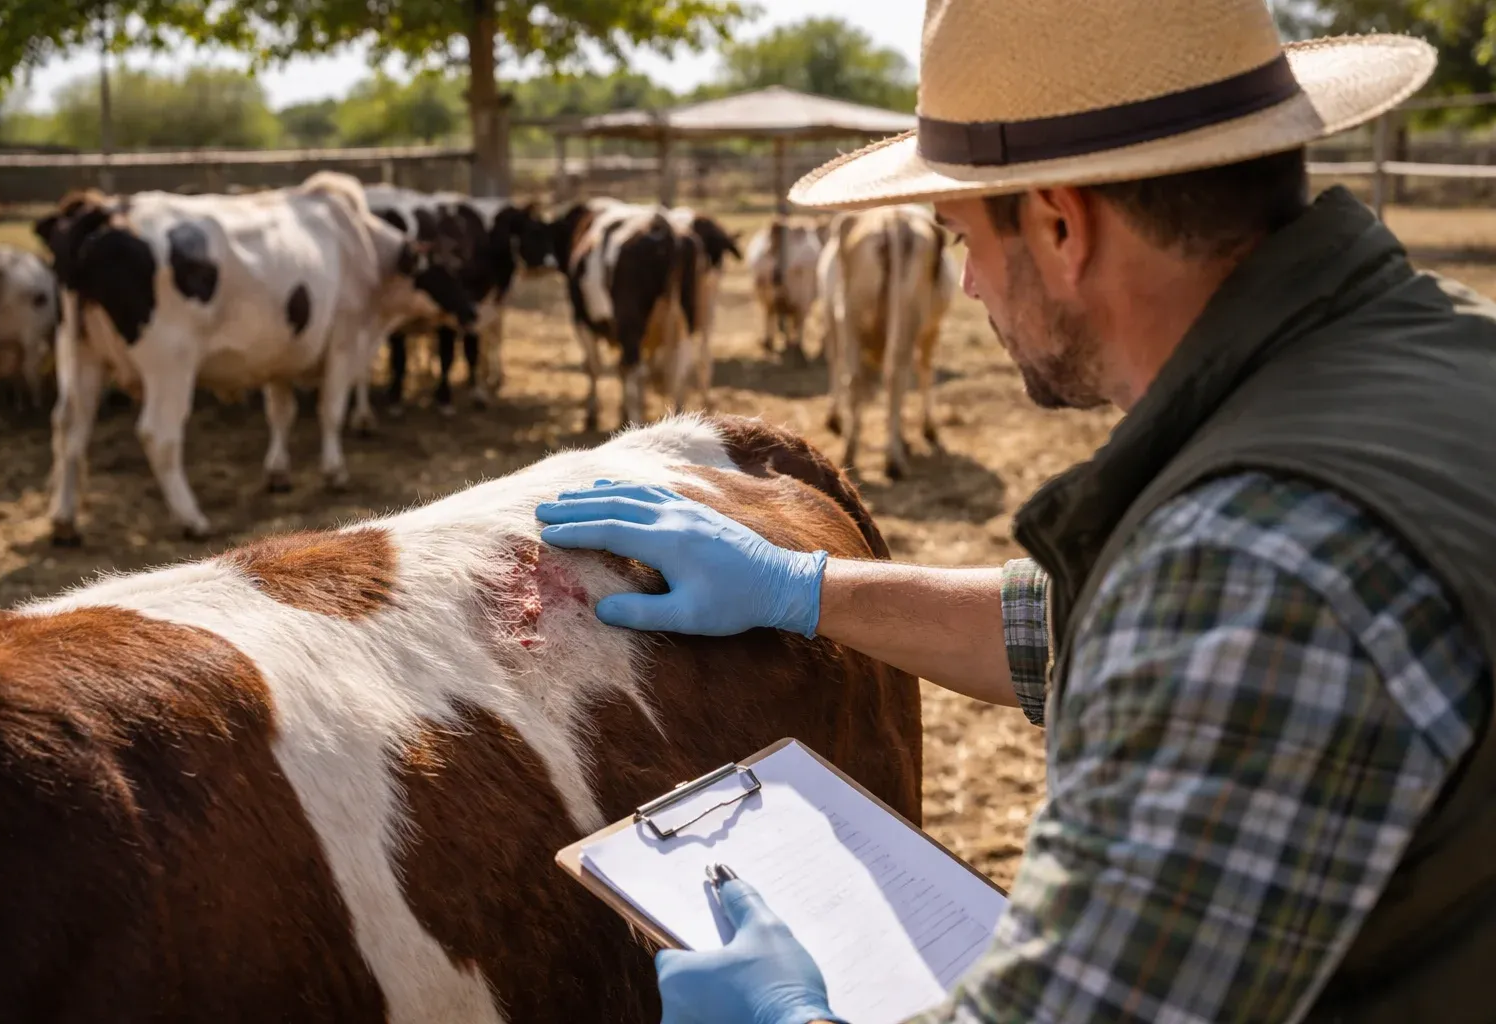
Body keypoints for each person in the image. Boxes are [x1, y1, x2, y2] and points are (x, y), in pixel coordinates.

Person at [536, 1, 1496, 1021]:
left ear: (1060, 225)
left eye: (963, 235)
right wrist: (801, 587)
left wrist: (791, 1020)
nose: (964, 283)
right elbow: (1102, 622)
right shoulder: (1441, 352)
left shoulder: (1248, 563)